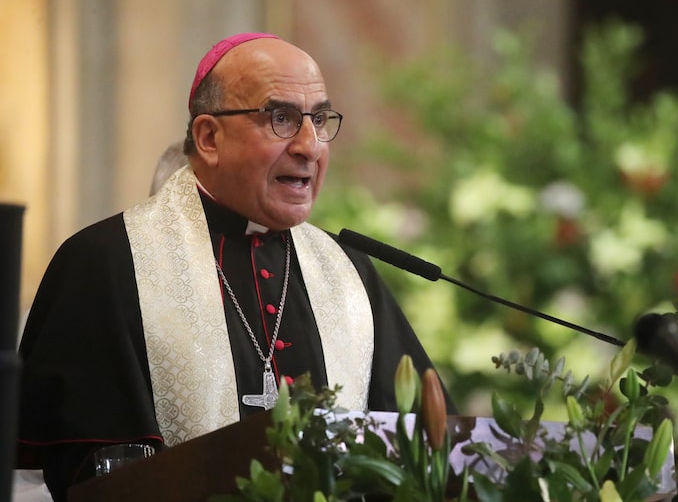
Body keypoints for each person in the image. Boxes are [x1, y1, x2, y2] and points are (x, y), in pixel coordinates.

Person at [16, 33, 453, 501]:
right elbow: (92, 470)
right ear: (208, 138)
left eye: (320, 119)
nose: (310, 145)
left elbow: (419, 454)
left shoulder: (349, 274)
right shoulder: (105, 263)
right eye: (281, 118)